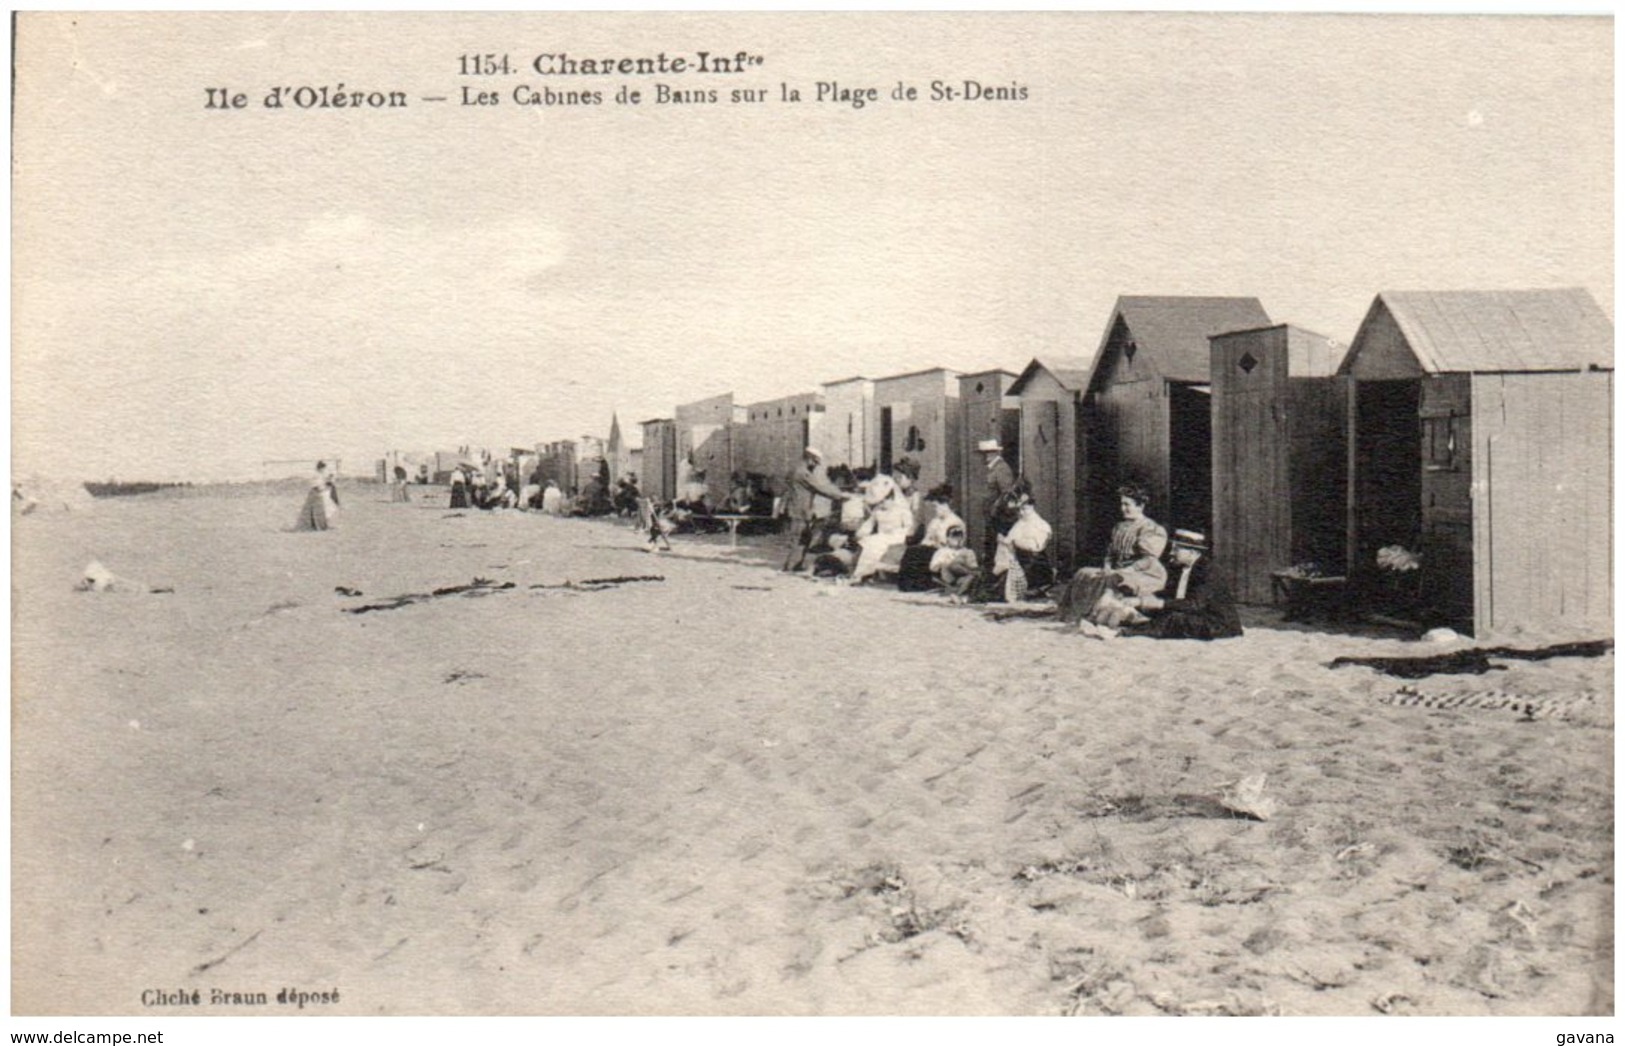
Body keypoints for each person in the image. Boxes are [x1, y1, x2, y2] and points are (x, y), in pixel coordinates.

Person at [1056, 483, 1168, 626]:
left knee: (1114, 578)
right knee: (1084, 573)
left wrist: (1127, 570)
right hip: (1119, 569)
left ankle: (1107, 614)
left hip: (1146, 572)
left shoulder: (1151, 528)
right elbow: (1110, 552)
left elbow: (1149, 559)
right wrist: (1107, 565)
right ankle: (1079, 613)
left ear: (1140, 506)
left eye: (1127, 504)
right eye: (1122, 504)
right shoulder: (1119, 527)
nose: (1123, 509)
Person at [1114, 529, 1242, 640]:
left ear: (1193, 552)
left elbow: (1195, 604)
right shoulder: (1179, 568)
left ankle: (1126, 632)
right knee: (1156, 611)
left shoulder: (1208, 571)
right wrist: (1142, 599)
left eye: (1177, 549)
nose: (1171, 553)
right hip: (1193, 615)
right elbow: (1171, 593)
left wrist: (1159, 603)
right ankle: (1131, 624)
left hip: (1217, 624)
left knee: (1173, 618)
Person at [782, 447, 849, 572]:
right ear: (809, 459)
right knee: (800, 538)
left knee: (803, 538)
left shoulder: (794, 469)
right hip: (800, 510)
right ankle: (791, 566)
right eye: (815, 462)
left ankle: (795, 565)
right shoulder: (803, 473)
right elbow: (819, 487)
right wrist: (841, 495)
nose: (815, 466)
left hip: (797, 508)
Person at [851, 471, 916, 583]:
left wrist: (901, 533)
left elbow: (909, 527)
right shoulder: (878, 510)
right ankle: (862, 573)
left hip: (896, 536)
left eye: (886, 500)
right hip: (882, 536)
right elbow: (869, 523)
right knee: (866, 541)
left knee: (874, 542)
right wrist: (861, 532)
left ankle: (863, 573)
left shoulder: (901, 510)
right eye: (881, 502)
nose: (883, 504)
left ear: (892, 498)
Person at [898, 484, 960, 592]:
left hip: (946, 550)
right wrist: (925, 544)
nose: (935, 510)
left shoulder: (954, 521)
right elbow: (927, 538)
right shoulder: (935, 521)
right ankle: (908, 585)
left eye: (937, 507)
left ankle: (921, 584)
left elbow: (953, 543)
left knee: (919, 553)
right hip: (932, 548)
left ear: (945, 505)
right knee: (913, 551)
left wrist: (933, 543)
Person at [996, 493, 1055, 600]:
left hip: (1033, 558)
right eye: (1019, 510)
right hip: (1018, 557)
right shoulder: (1020, 523)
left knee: (1032, 563)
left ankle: (1036, 586)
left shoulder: (1041, 525)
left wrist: (1016, 542)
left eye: (1025, 509)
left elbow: (1037, 547)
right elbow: (1010, 538)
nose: (1021, 513)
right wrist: (1005, 541)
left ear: (1032, 508)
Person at [978, 439, 1018, 564]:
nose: (984, 457)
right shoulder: (993, 469)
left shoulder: (1001, 468)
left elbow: (1006, 493)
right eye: (983, 453)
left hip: (998, 517)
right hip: (991, 516)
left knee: (995, 546)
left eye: (987, 453)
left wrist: (995, 508)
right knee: (990, 544)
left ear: (994, 453)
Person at [930, 524, 980, 600]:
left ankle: (957, 594)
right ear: (947, 538)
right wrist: (944, 561)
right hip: (948, 577)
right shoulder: (942, 551)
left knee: (970, 577)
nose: (958, 539)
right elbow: (933, 568)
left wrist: (964, 562)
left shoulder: (968, 552)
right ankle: (958, 591)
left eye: (960, 536)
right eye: (954, 537)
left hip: (962, 577)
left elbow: (973, 566)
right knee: (953, 564)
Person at [294, 461, 338, 531]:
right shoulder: (316, 475)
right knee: (317, 512)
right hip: (316, 494)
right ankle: (319, 526)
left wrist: (328, 481)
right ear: (320, 468)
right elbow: (317, 486)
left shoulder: (321, 475)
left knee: (323, 511)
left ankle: (323, 525)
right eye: (323, 468)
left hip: (320, 494)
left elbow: (324, 483)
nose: (324, 470)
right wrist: (324, 487)